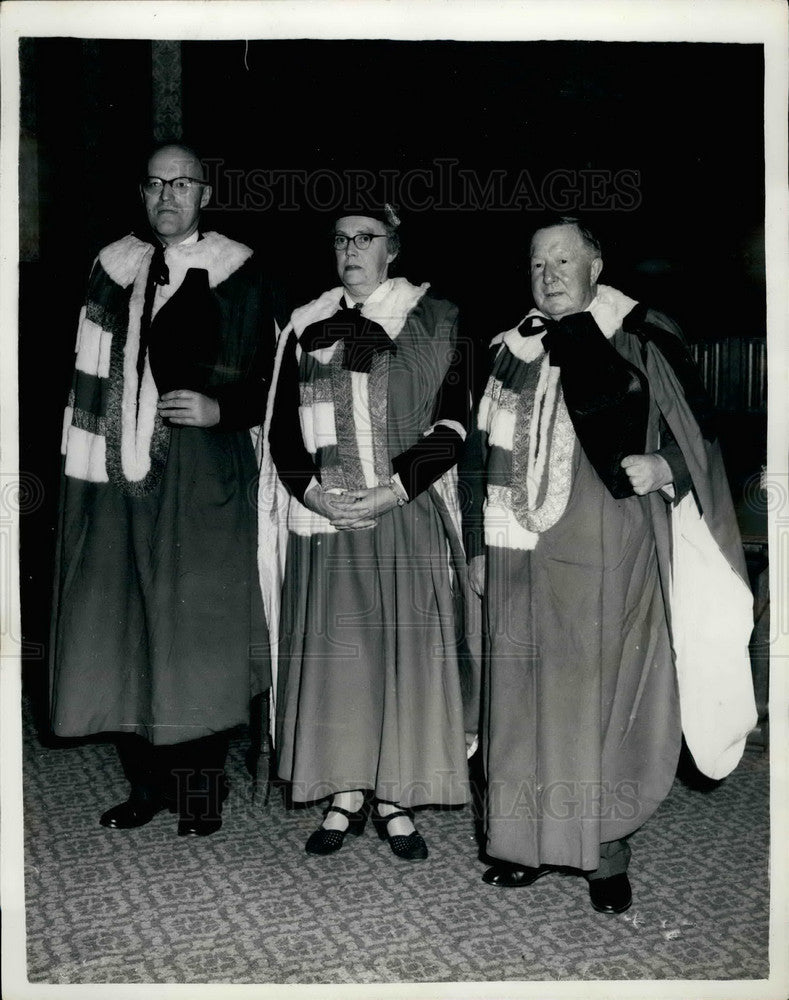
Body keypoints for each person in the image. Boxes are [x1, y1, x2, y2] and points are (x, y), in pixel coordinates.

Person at [472, 216, 755, 911]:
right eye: (537, 263)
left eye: (564, 260)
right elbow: (482, 450)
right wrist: (480, 549)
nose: (549, 275)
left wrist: (666, 465)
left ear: (595, 264)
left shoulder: (641, 332)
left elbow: (709, 431)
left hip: (606, 546)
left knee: (594, 700)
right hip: (516, 549)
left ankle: (602, 853)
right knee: (517, 700)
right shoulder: (510, 348)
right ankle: (524, 841)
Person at [50, 143, 273, 836]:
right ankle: (144, 784)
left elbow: (274, 375)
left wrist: (222, 409)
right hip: (116, 470)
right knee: (125, 621)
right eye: (154, 184)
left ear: (205, 192)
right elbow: (85, 375)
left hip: (202, 471)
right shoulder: (112, 268)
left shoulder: (238, 270)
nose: (167, 196)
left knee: (194, 628)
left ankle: (202, 790)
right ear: (140, 193)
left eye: (182, 184)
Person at [265, 205, 479, 860]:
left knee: (401, 654)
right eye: (340, 239)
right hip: (326, 517)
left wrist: (389, 491)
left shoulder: (438, 318)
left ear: (393, 248)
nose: (351, 249)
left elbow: (453, 424)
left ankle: (396, 795)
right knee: (338, 659)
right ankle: (344, 791)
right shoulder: (303, 325)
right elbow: (278, 430)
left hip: (404, 511)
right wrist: (314, 495)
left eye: (366, 239)